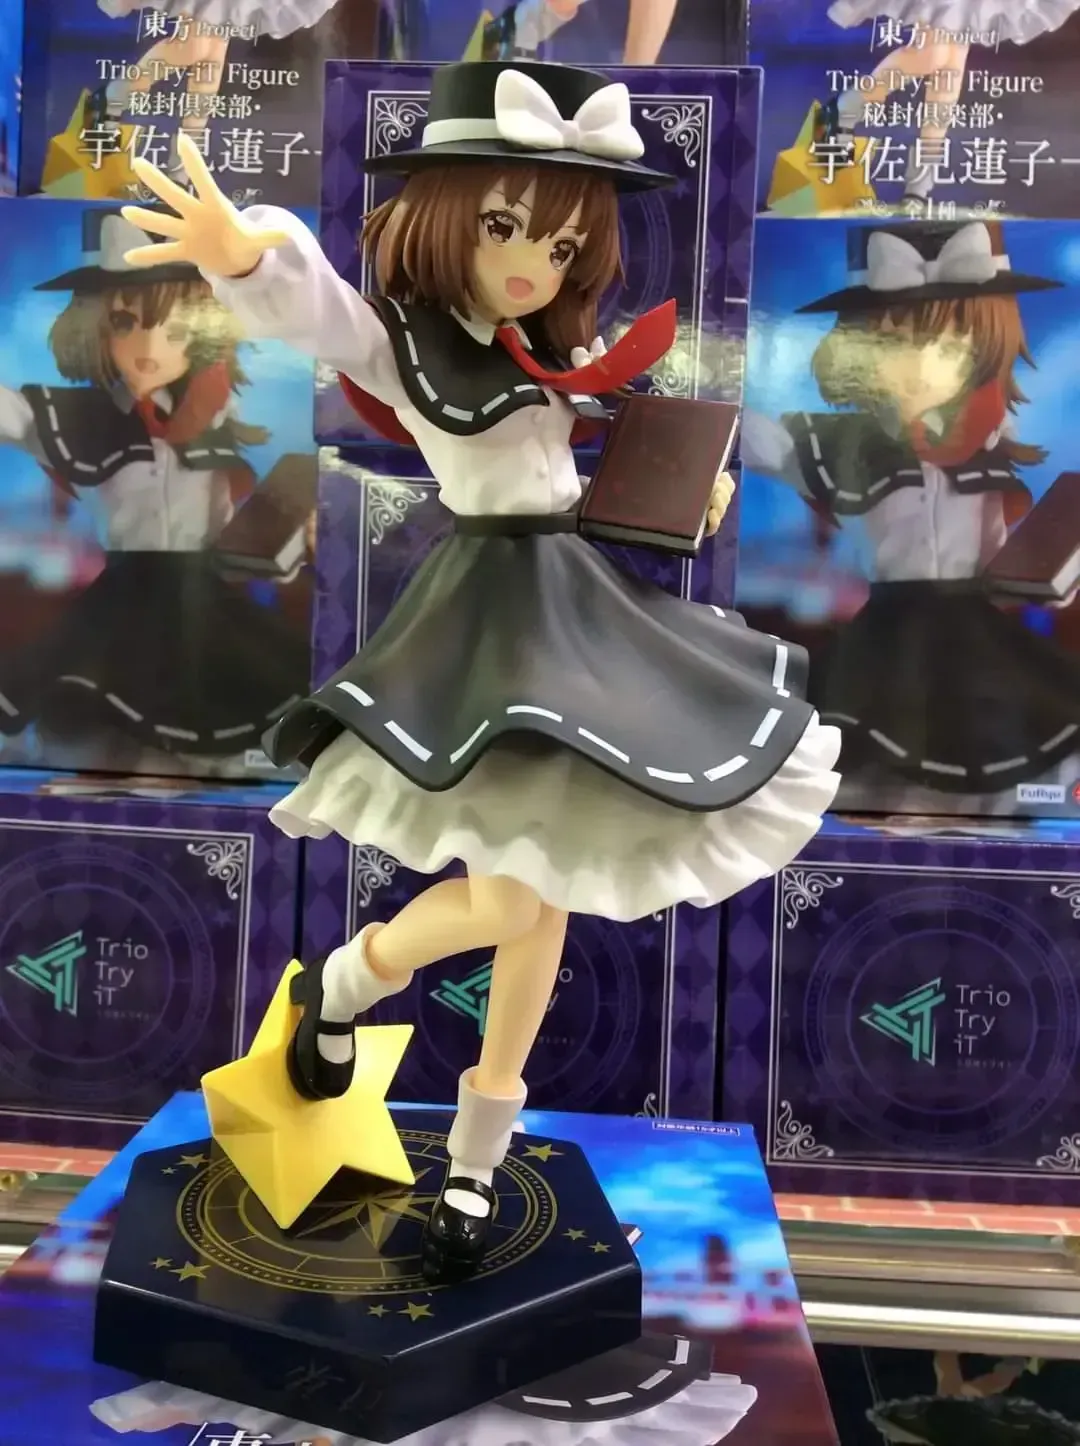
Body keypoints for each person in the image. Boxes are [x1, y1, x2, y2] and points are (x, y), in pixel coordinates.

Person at [121, 59, 841, 1282]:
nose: (530, 265)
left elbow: (582, 476)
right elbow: (319, 310)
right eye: (505, 228)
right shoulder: (409, 341)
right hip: (489, 618)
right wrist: (248, 255)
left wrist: (690, 494)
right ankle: (347, 981)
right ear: (447, 216)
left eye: (559, 246)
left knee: (540, 899)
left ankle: (473, 1158)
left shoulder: (545, 349)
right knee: (511, 901)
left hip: (574, 602)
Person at [742, 217, 1080, 796]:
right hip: (889, 632)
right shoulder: (844, 447)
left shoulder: (987, 450)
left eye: (952, 346)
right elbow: (763, 444)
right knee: (861, 746)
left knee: (990, 738)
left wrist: (1051, 574)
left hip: (976, 632)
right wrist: (702, 399)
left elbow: (1008, 557)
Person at [0, 205, 309, 768]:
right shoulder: (81, 421)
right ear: (95, 328)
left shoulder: (214, 418)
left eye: (176, 329)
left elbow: (252, 531)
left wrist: (292, 533)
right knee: (92, 735)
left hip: (205, 607)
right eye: (125, 323)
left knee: (214, 732)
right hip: (120, 607)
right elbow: (13, 416)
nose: (149, 346)